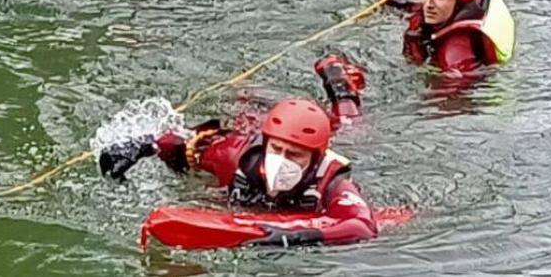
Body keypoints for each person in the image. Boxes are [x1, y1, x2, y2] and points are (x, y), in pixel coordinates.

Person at [98, 56, 377, 247]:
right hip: (252, 127)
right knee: (248, 112)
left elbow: (361, 225)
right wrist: (146, 146)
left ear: (316, 159)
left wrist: (292, 236)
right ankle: (247, 93)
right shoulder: (236, 155)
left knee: (351, 128)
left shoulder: (333, 181)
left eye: (295, 156)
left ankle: (341, 86)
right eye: (277, 150)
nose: (281, 161)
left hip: (300, 215)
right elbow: (185, 145)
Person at [398, 0, 515, 73]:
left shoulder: (454, 55)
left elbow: (450, 89)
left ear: (460, 3)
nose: (428, 4)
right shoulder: (474, 4)